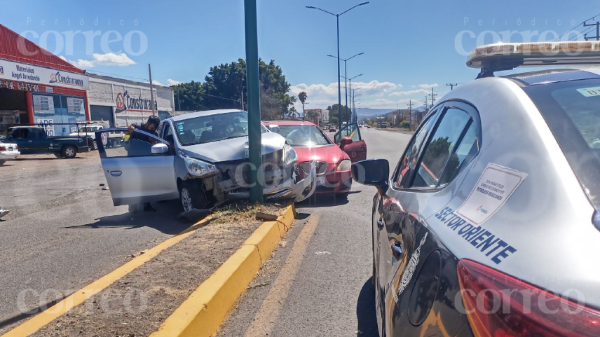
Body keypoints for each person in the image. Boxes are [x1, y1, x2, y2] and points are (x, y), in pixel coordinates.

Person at [126, 116, 161, 212]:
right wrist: (129, 130)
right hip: (133, 159)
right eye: (153, 125)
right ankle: (133, 203)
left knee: (146, 183)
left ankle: (147, 204)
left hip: (146, 160)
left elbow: (156, 145)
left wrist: (153, 140)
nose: (153, 128)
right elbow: (126, 135)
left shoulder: (154, 133)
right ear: (149, 122)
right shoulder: (136, 127)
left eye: (155, 127)